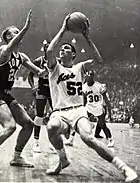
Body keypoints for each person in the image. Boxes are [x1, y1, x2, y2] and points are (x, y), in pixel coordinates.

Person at [45, 14, 138, 182]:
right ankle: (63, 158)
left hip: (78, 110)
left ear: (73, 55)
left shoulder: (79, 67)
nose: (62, 50)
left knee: (88, 138)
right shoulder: (54, 68)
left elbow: (98, 60)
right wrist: (63, 29)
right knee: (51, 127)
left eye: (66, 48)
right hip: (59, 112)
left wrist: (87, 37)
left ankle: (124, 168)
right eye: (62, 48)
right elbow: (50, 50)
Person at [0, 10, 47, 172]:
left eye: (19, 32)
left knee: (28, 124)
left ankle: (17, 156)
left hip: (5, 94)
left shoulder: (22, 57)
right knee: (10, 126)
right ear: (8, 37)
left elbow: (39, 72)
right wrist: (26, 28)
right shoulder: (3, 50)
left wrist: (47, 66)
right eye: (15, 32)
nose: (18, 33)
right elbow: (9, 48)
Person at [65, 70, 115, 147]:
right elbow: (84, 100)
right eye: (88, 76)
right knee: (77, 121)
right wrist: (81, 109)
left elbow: (107, 100)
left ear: (93, 77)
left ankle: (111, 140)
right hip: (89, 107)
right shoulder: (84, 87)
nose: (89, 78)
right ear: (86, 77)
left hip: (98, 107)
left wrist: (110, 113)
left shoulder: (99, 86)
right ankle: (71, 139)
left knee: (102, 125)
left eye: (91, 76)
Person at [28, 42, 53, 153]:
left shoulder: (58, 62)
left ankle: (54, 143)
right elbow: (30, 76)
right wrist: (33, 86)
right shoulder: (38, 61)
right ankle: (36, 143)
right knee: (39, 116)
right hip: (42, 89)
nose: (49, 49)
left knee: (56, 115)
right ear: (44, 49)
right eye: (47, 47)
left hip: (53, 91)